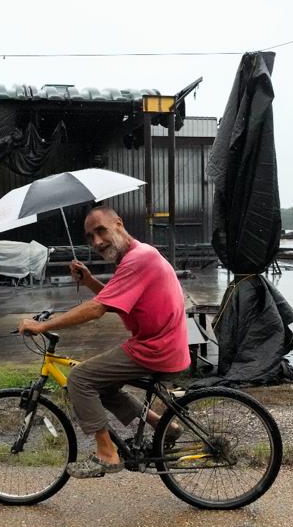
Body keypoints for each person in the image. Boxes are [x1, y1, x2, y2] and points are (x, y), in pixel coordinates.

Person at [17, 205, 189, 478]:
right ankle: (164, 426)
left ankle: (107, 454)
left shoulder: (137, 260)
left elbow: (97, 309)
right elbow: (113, 300)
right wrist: (89, 281)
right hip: (163, 344)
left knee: (80, 379)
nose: (96, 241)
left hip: (155, 349)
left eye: (101, 231)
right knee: (104, 387)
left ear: (118, 224)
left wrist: (42, 325)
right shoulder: (140, 255)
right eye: (89, 237)